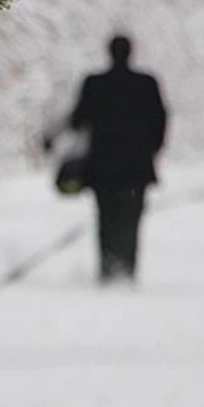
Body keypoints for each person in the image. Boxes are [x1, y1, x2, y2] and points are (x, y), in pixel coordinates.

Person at [47, 35, 167, 284]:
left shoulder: (95, 84)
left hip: (103, 166)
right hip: (136, 167)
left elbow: (78, 118)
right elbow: (160, 120)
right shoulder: (146, 84)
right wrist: (151, 150)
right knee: (131, 219)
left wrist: (52, 137)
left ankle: (108, 268)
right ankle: (127, 269)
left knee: (106, 218)